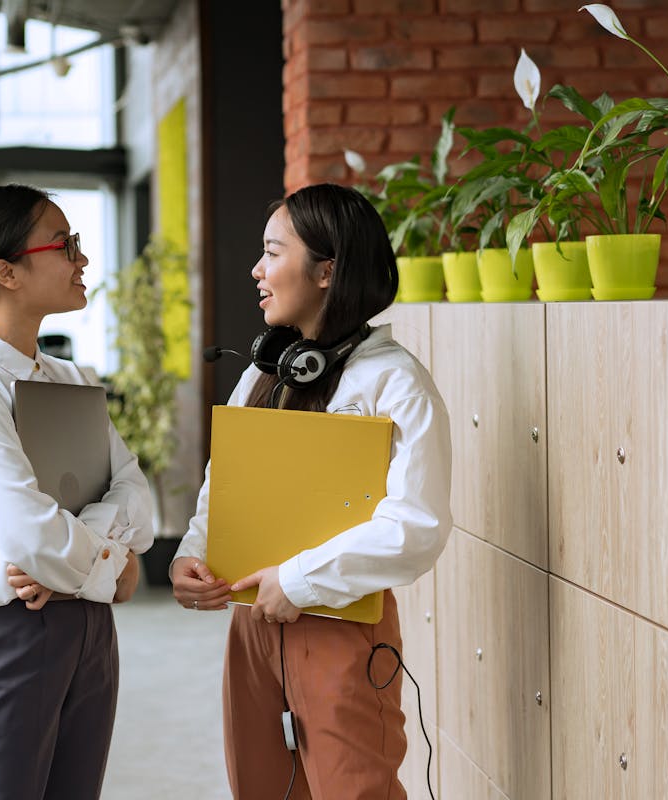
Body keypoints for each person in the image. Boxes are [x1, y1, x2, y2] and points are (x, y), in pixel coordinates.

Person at [170, 183, 453, 798]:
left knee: (354, 790)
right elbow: (226, 486)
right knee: (260, 786)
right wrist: (192, 554)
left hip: (341, 622)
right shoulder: (261, 372)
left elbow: (418, 525)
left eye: (273, 253)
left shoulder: (396, 382)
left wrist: (298, 580)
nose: (256, 270)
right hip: (251, 623)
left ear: (327, 270)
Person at [0, 184, 153, 800]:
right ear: (6, 272)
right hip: (3, 635)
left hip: (87, 630)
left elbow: (139, 498)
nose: (81, 259)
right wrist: (112, 566)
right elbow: (27, 531)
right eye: (64, 244)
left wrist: (88, 566)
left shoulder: (68, 377)